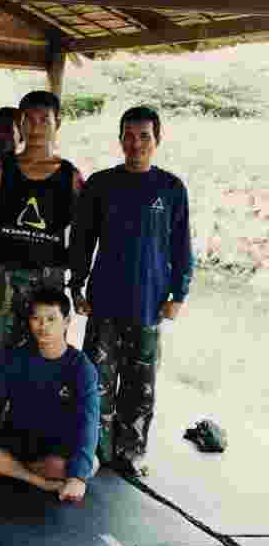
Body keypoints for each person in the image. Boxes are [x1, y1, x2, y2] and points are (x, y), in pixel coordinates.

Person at [69, 106, 193, 477]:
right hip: (104, 301)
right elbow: (81, 240)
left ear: (157, 139)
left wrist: (179, 295)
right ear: (119, 137)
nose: (135, 143)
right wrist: (76, 285)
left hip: (149, 303)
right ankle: (96, 450)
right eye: (129, 135)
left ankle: (130, 453)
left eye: (144, 136)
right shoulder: (101, 183)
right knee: (96, 381)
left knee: (140, 387)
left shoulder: (170, 188)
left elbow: (182, 247)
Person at [0, 289, 99, 502]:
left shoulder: (81, 367)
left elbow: (89, 421)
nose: (43, 326)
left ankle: (2, 466)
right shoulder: (15, 358)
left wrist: (78, 477)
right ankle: (36, 480)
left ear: (67, 321)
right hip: (18, 438)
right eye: (36, 318)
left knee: (79, 464)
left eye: (51, 319)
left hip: (56, 445)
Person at [0, 91, 85, 365]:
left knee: (44, 352)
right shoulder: (0, 170)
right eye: (29, 120)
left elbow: (83, 230)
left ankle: (35, 408)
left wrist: (71, 272)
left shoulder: (70, 175)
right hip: (2, 278)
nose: (36, 127)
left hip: (47, 279)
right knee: (0, 354)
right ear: (20, 125)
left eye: (44, 120)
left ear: (57, 123)